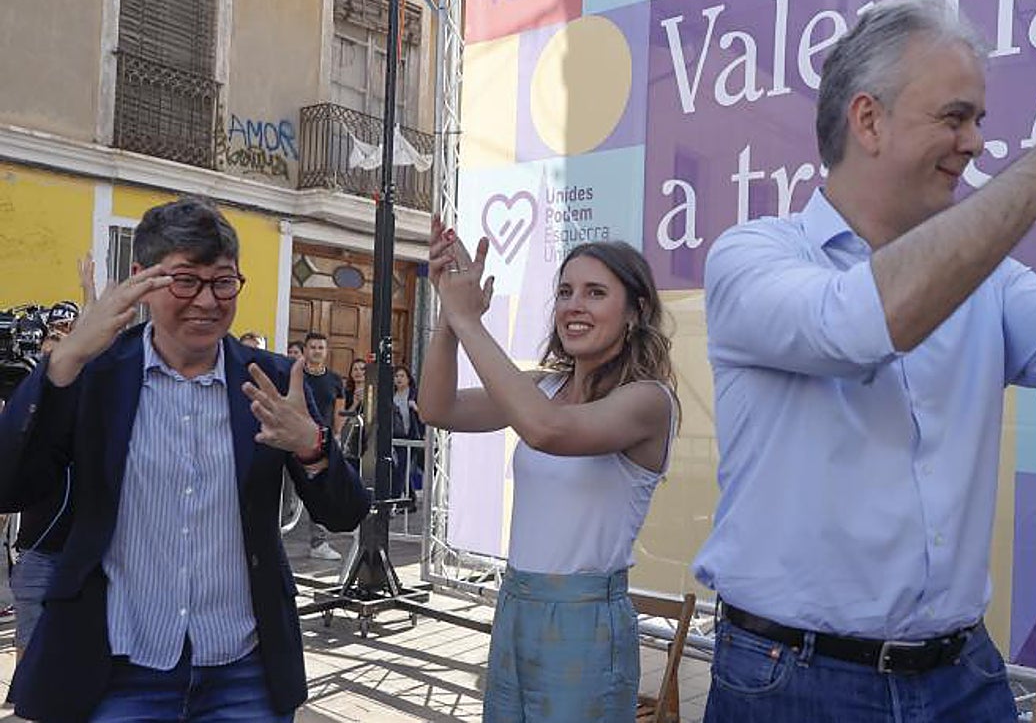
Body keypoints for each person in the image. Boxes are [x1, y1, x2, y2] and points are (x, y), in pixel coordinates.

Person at [695, 0, 1036, 722]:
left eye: (980, 121)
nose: (974, 143)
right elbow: (854, 326)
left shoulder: (988, 283)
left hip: (962, 678)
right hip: (792, 684)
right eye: (955, 116)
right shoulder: (752, 256)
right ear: (868, 119)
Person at [0, 197, 369, 722]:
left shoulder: (270, 381)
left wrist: (312, 444)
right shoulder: (97, 375)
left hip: (244, 673)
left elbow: (345, 512)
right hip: (116, 667)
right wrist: (65, 359)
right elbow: (10, 484)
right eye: (184, 281)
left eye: (223, 282)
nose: (207, 301)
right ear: (141, 279)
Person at [419, 227, 679, 723]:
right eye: (565, 291)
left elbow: (547, 431)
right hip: (516, 603)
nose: (573, 305)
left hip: (586, 621)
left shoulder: (648, 400)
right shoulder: (546, 385)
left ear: (636, 310)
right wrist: (448, 318)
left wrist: (469, 320)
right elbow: (438, 407)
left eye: (595, 292)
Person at [10, 257, 94, 666]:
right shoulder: (30, 393)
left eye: (68, 334)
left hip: (83, 550)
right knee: (30, 646)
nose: (60, 343)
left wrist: (90, 297)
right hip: (38, 549)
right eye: (54, 335)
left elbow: (100, 348)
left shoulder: (87, 394)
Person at [301, 332, 346, 561]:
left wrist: (337, 435)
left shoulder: (335, 380)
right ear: (305, 350)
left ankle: (318, 543)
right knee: (285, 496)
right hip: (295, 441)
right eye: (313, 347)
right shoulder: (296, 376)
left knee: (318, 493)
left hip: (322, 443)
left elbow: (339, 409)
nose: (317, 351)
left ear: (326, 352)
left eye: (321, 347)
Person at [390, 363, 424, 514]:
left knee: (401, 469)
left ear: (408, 379)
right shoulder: (391, 395)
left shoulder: (415, 394)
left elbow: (425, 415)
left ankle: (395, 502)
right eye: (396, 376)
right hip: (395, 436)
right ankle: (410, 500)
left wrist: (415, 408)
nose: (399, 379)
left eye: (402, 376)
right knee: (400, 469)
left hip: (411, 437)